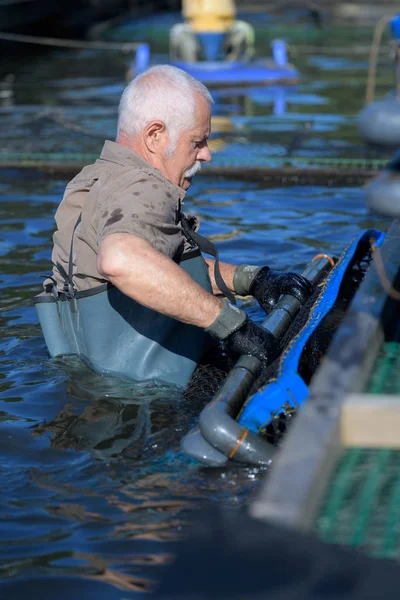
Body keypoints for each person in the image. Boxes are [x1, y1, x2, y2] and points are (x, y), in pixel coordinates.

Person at [38, 65, 312, 388]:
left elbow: (161, 269)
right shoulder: (145, 186)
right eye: (197, 142)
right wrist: (233, 325)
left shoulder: (92, 182)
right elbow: (121, 260)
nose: (206, 155)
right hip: (156, 402)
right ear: (155, 136)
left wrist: (253, 280)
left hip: (91, 389)